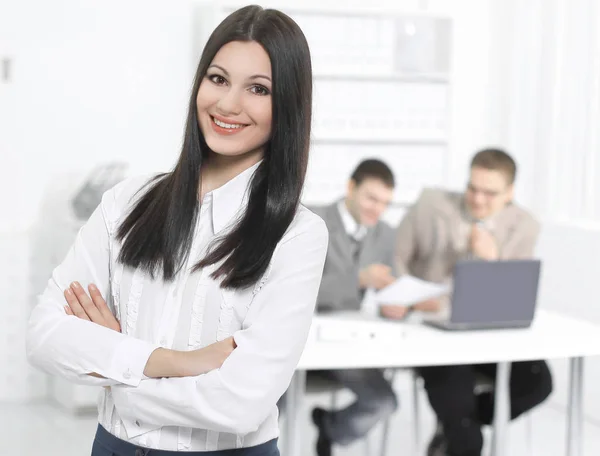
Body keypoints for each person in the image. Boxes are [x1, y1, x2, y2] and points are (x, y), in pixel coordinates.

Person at [27, 6, 328, 456]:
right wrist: (176, 364)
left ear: (287, 105)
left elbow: (241, 404)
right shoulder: (126, 203)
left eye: (258, 89)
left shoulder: (298, 235)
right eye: (218, 79)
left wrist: (113, 369)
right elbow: (44, 336)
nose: (228, 104)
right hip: (114, 447)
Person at [382, 149, 553, 456]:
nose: (478, 199)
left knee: (537, 384)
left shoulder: (525, 226)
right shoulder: (430, 205)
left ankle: (460, 421)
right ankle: (459, 426)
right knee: (468, 441)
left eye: (491, 193)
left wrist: (494, 261)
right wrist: (408, 298)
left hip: (489, 335)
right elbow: (395, 257)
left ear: (510, 193)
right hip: (434, 332)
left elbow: (513, 297)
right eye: (473, 188)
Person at [308, 159, 398, 456]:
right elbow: (296, 291)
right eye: (372, 198)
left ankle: (331, 428)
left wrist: (398, 304)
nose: (377, 209)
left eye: (385, 202)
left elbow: (393, 286)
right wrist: (358, 279)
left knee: (384, 401)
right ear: (350, 187)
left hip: (350, 343)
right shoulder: (311, 220)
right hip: (303, 341)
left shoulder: (385, 234)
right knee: (271, 406)